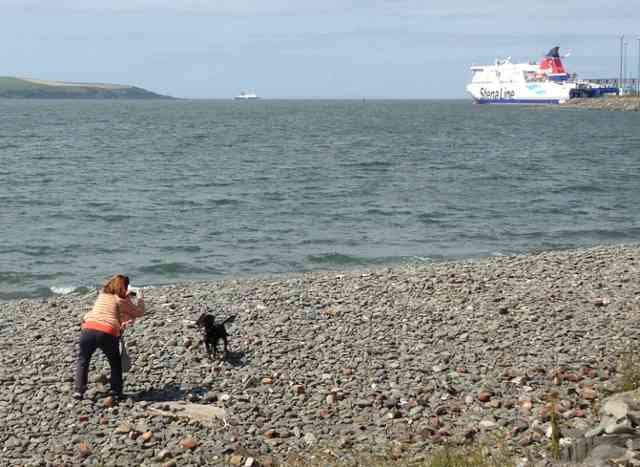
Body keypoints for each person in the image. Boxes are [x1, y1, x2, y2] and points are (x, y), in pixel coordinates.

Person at [73, 274, 145, 401]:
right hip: (107, 331)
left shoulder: (102, 295)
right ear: (124, 287)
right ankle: (115, 391)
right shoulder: (122, 300)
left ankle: (79, 391)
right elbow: (139, 312)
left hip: (88, 328)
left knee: (83, 359)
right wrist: (140, 297)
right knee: (115, 362)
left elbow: (110, 310)